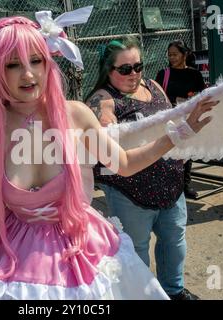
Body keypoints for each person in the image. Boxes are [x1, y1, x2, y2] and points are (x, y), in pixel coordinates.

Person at [0, 9, 216, 300]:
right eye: (13, 64)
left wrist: (179, 133)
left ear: (48, 61)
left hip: (81, 249)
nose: (28, 74)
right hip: (14, 256)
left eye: (36, 60)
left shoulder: (75, 115)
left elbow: (125, 164)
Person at [85, 36, 210, 300]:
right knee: (136, 251)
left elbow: (171, 119)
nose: (135, 74)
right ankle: (143, 296)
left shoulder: (152, 85)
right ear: (108, 70)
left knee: (174, 243)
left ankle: (173, 291)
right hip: (131, 193)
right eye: (126, 69)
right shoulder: (102, 102)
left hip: (171, 184)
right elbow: (113, 157)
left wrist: (183, 149)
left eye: (138, 66)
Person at [155, 40, 206, 199]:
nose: (172, 57)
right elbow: (156, 96)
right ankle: (166, 183)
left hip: (187, 119)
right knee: (166, 151)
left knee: (186, 151)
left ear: (185, 55)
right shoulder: (164, 74)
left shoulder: (194, 74)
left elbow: (202, 95)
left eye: (175, 54)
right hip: (168, 118)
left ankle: (185, 185)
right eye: (169, 55)